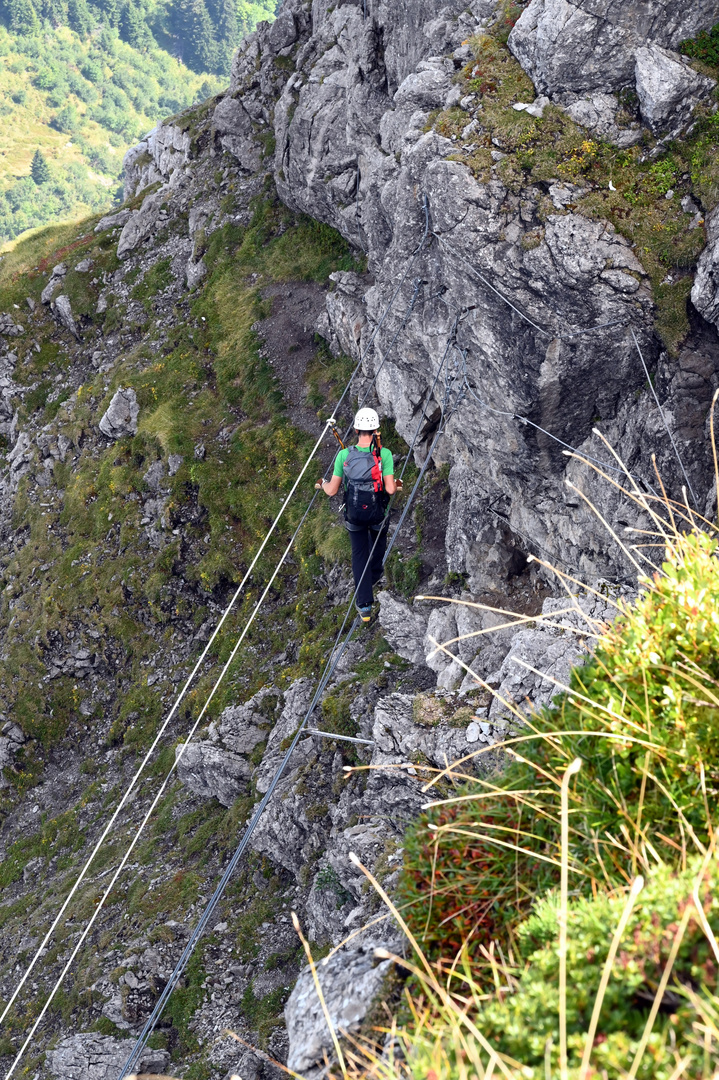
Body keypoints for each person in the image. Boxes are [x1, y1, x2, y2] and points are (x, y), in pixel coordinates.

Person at [316, 408, 401, 622]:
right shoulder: (385, 455)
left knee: (359, 554)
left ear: (356, 430)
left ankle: (364, 606)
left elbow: (333, 490)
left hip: (353, 516)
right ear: (375, 430)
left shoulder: (344, 455)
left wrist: (322, 483)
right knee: (378, 548)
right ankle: (373, 577)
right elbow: (390, 490)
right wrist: (396, 484)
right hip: (377, 514)